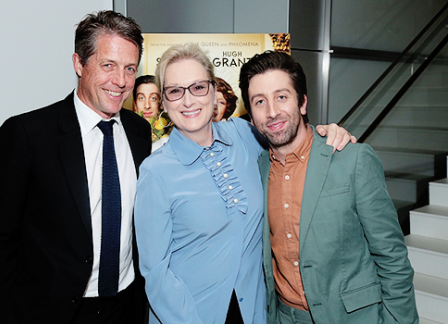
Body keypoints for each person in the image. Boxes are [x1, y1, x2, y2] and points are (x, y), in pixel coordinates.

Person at [134, 43, 354, 324]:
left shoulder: (244, 135)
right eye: (175, 91)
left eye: (198, 87)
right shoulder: (156, 171)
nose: (188, 101)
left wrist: (328, 133)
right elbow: (155, 273)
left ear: (214, 92)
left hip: (255, 311)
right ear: (163, 102)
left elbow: (290, 136)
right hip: (191, 315)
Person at [0, 11, 151, 324]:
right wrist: (7, 314)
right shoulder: (27, 135)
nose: (121, 81)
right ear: (79, 64)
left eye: (129, 68)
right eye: (108, 65)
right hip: (53, 311)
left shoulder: (139, 132)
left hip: (127, 306)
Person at [238, 50, 418, 324]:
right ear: (251, 116)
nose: (272, 111)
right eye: (260, 101)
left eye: (282, 96)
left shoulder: (352, 158)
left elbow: (392, 258)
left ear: (303, 102)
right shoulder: (256, 170)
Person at [132, 75, 171, 151]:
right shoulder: (125, 134)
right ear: (135, 104)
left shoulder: (171, 138)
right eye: (141, 98)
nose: (147, 106)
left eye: (153, 98)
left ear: (162, 104)